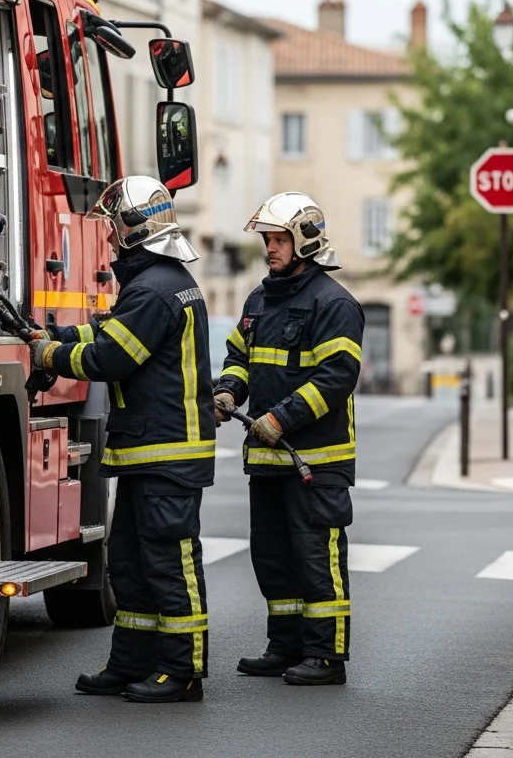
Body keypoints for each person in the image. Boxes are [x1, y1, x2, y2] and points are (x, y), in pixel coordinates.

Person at [30, 175, 214, 703]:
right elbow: (106, 335)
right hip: (150, 452)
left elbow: (110, 358)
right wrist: (55, 335)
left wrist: (47, 356)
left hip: (166, 453)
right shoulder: (156, 282)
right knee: (131, 562)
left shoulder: (154, 289)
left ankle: (182, 671)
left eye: (113, 226)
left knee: (167, 561)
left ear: (135, 229)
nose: (108, 237)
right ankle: (131, 661)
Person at [213, 192, 364, 686]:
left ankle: (326, 656)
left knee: (316, 558)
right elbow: (240, 356)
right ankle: (286, 645)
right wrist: (228, 391)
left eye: (279, 240)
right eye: (267, 240)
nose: (270, 249)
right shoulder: (259, 299)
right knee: (272, 557)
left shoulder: (334, 304)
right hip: (269, 459)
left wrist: (280, 419)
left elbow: (336, 376)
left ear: (304, 242)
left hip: (315, 461)